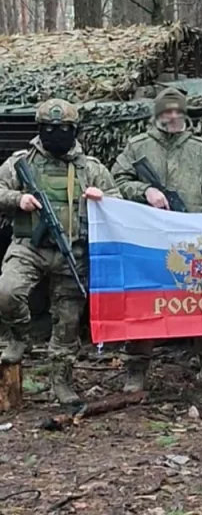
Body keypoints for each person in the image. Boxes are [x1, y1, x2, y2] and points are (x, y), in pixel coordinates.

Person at [0, 99, 120, 408]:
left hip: (73, 251)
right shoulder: (19, 162)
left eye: (63, 129)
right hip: (29, 247)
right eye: (50, 129)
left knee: (67, 323)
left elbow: (119, 204)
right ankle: (19, 335)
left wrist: (101, 198)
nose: (56, 134)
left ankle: (61, 381)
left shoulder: (90, 167)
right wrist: (18, 198)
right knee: (7, 292)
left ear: (74, 130)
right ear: (40, 130)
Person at [112, 87, 202, 395]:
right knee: (143, 302)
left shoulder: (201, 150)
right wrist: (145, 192)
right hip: (149, 239)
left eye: (177, 111)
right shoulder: (137, 147)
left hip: (195, 241)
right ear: (158, 114)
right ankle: (136, 370)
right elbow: (117, 181)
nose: (173, 116)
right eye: (167, 111)